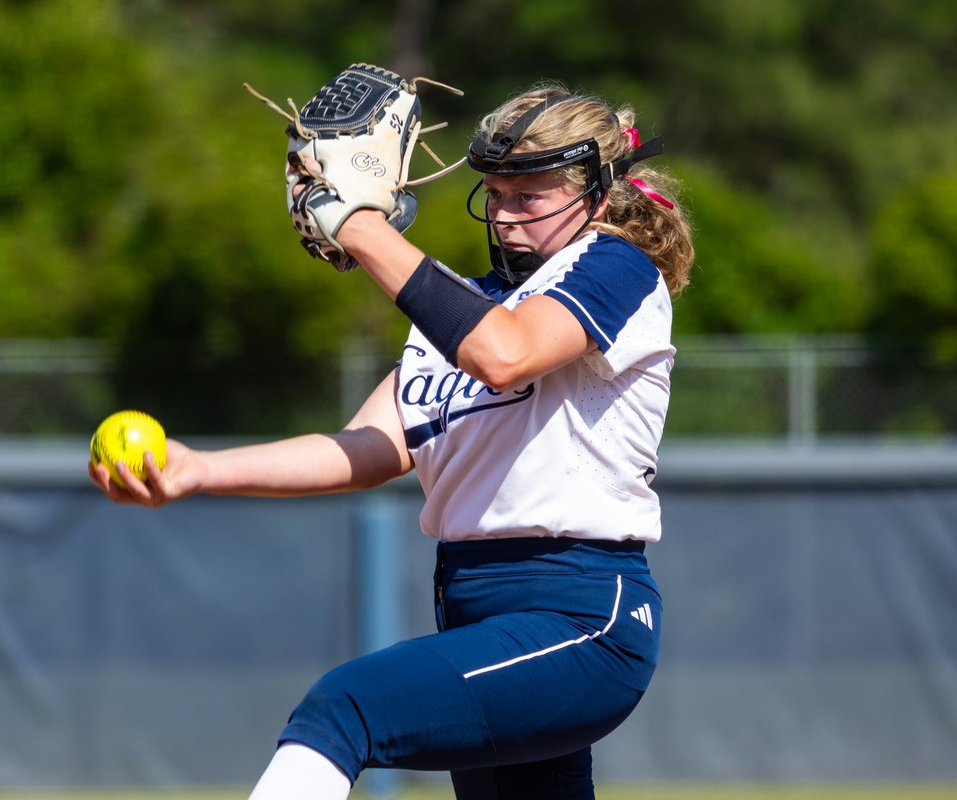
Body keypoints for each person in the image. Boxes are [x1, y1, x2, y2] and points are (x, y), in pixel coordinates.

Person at [90, 81, 694, 800]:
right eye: (494, 194)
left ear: (595, 195)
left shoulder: (617, 268)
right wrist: (199, 469)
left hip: (580, 614)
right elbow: (366, 447)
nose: (503, 216)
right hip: (477, 616)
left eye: (528, 197)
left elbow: (504, 354)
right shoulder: (467, 310)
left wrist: (360, 223)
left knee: (340, 711)